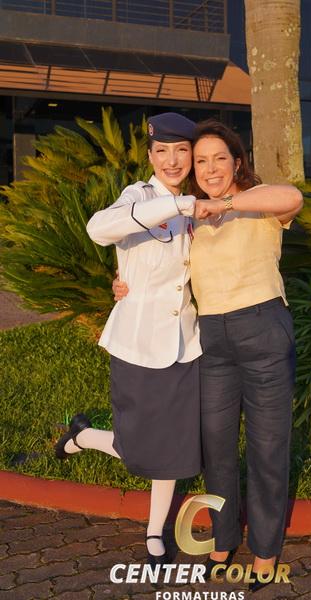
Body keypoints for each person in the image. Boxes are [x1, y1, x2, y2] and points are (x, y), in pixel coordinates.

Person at [114, 119, 303, 593]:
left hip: (263, 330)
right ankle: (223, 540)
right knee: (216, 447)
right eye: (201, 161)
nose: (210, 168)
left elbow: (292, 197)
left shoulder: (257, 203)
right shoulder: (189, 217)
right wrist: (122, 283)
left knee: (266, 447)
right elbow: (155, 262)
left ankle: (265, 549)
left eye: (220, 158)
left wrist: (228, 203)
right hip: (212, 341)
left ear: (237, 162)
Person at [54, 112, 202, 567]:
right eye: (162, 151)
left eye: (181, 151)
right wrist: (179, 205)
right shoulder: (138, 197)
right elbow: (99, 229)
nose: (172, 161)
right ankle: (83, 437)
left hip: (186, 342)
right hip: (138, 341)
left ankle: (155, 531)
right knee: (137, 444)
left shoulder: (202, 204)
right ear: (150, 156)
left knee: (172, 445)